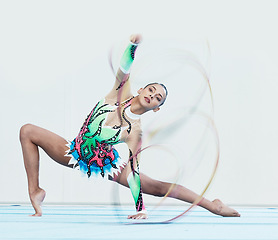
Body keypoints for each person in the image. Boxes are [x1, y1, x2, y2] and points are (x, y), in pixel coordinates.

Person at [19, 34, 240, 219]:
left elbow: (133, 173)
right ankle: (35, 191)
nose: (152, 95)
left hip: (104, 163)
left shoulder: (135, 131)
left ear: (156, 108)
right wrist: (133, 46)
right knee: (28, 131)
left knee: (155, 187)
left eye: (158, 98)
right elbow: (124, 68)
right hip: (74, 152)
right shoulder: (119, 93)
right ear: (141, 89)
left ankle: (214, 206)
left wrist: (140, 208)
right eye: (151, 90)